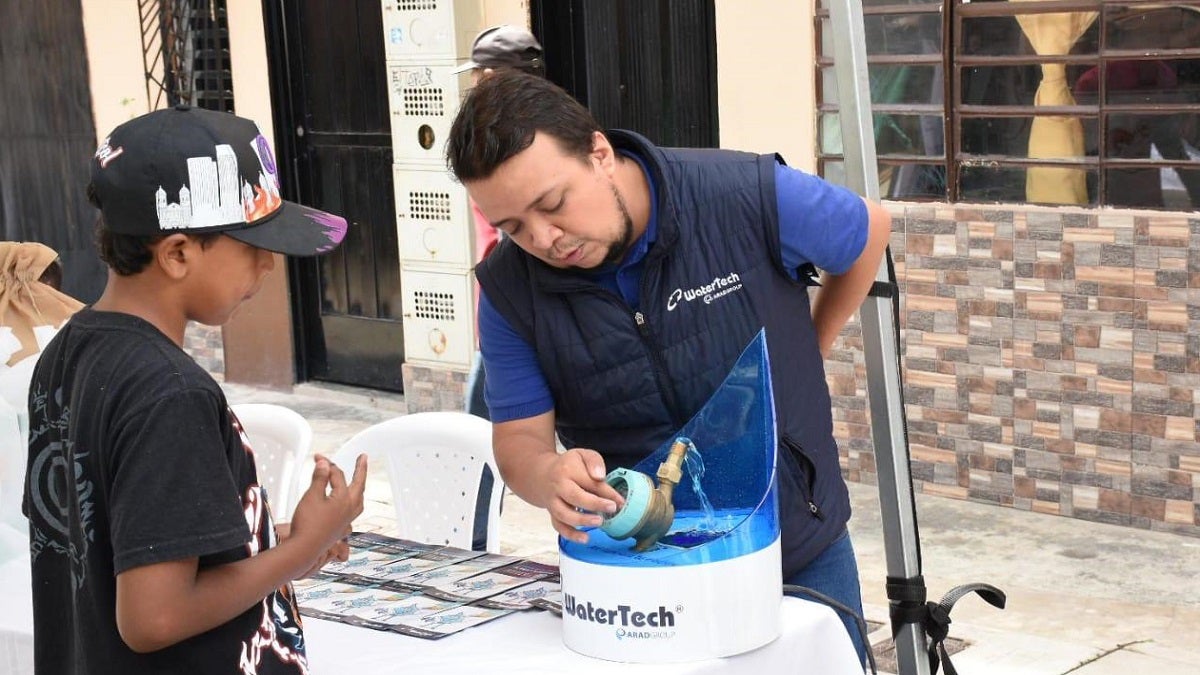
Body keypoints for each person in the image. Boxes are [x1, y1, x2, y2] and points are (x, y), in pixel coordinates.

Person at [446, 70, 891, 661]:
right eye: (513, 228)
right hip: (642, 581)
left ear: (600, 154)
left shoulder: (741, 194)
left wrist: (813, 341)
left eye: (553, 204)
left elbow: (868, 233)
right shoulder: (510, 292)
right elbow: (519, 443)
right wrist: (548, 475)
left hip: (796, 548)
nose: (545, 239)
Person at [22, 105, 368, 674]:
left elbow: (111, 542)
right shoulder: (170, 393)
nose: (268, 266)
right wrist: (301, 549)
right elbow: (154, 618)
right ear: (178, 253)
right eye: (252, 245)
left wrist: (275, 543)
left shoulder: (68, 353)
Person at [455, 24, 546, 421]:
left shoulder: (499, 146)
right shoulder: (548, 133)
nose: (473, 85)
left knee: (481, 441)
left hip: (508, 309)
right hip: (523, 308)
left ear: (491, 78)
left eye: (477, 75)